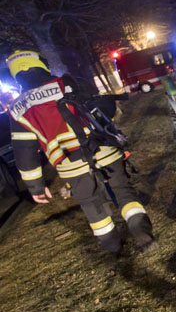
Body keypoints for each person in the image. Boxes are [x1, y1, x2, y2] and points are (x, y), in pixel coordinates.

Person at [6, 50, 154, 253]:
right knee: (122, 190)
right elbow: (104, 109)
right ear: (41, 64)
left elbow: (25, 151)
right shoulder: (68, 82)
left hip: (70, 164)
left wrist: (36, 187)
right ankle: (140, 230)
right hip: (103, 150)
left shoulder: (17, 109)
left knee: (91, 203)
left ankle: (111, 245)